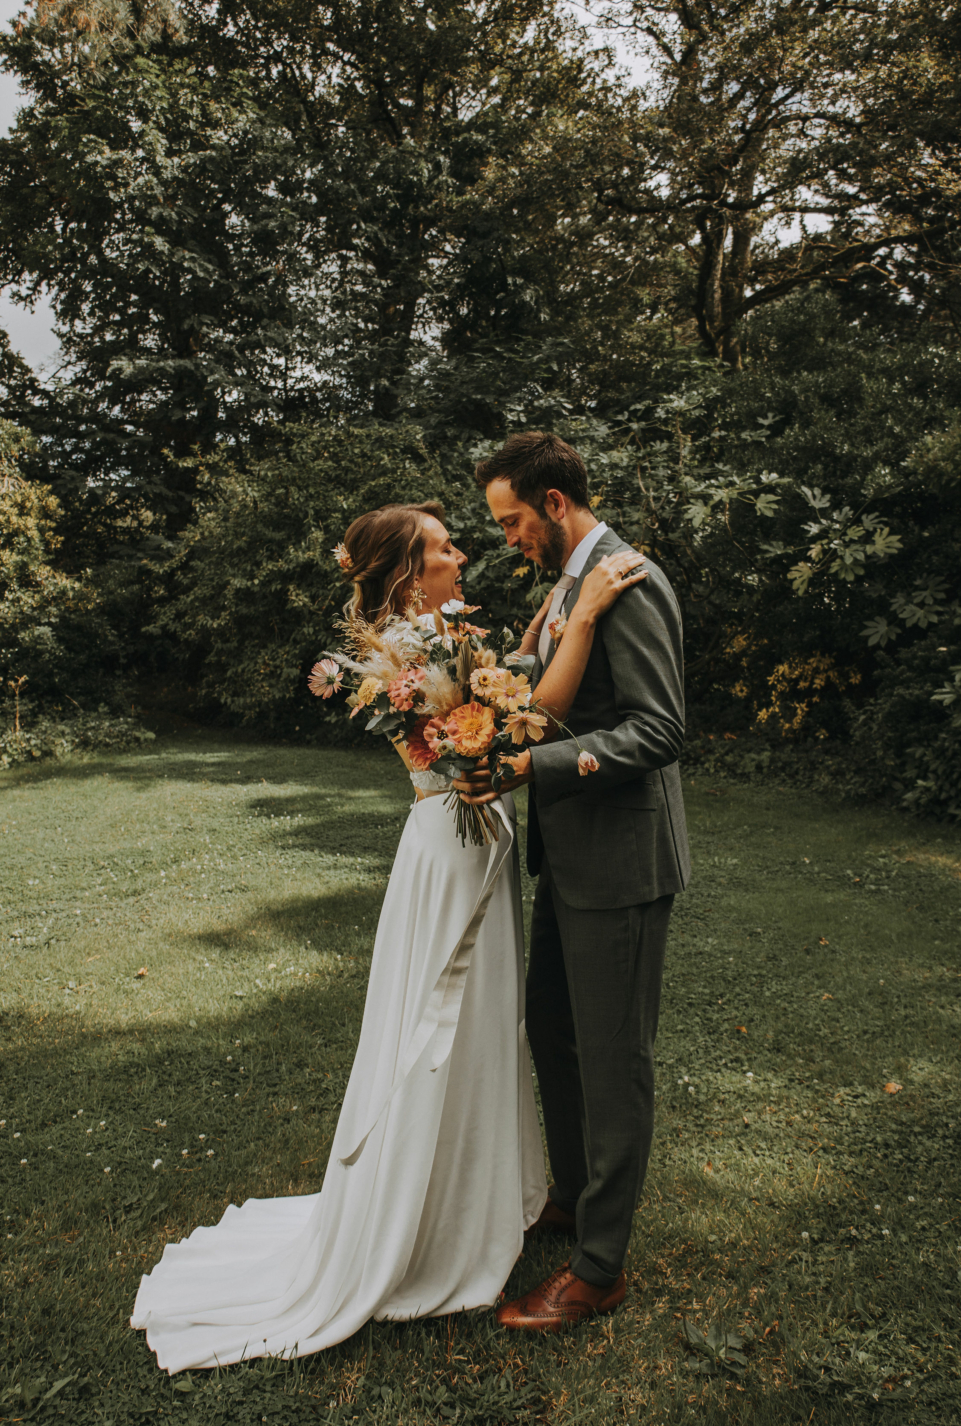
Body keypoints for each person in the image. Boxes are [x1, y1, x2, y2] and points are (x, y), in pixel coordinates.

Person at [130, 498, 646, 1374]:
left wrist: (545, 621)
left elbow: (506, 675)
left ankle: (474, 1194)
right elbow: (528, 717)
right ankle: (431, 1219)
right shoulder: (405, 653)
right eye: (445, 548)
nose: (462, 555)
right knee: (446, 1030)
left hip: (465, 844)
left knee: (481, 1026)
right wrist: (587, 614)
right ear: (411, 571)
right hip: (453, 851)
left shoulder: (435, 635)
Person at [460, 432, 690, 1333]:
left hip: (621, 863)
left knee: (613, 1057)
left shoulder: (630, 581)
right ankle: (573, 1197)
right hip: (570, 856)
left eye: (513, 520)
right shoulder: (567, 585)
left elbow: (658, 729)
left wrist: (534, 767)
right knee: (551, 1026)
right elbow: (549, 693)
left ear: (555, 503)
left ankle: (599, 1269)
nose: (508, 538)